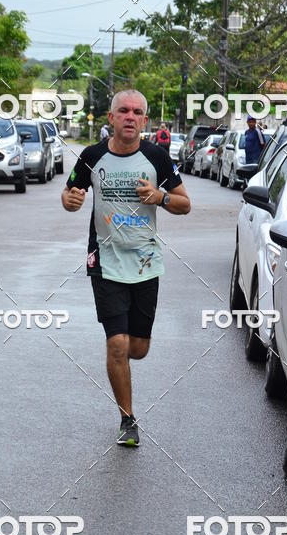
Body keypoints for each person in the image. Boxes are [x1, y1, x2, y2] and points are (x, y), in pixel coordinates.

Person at [61, 90, 191, 446]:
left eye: (137, 112)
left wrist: (161, 197)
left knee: (137, 349)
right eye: (123, 111)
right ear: (111, 117)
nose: (130, 117)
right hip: (104, 261)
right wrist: (70, 200)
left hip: (146, 264)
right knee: (117, 344)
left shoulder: (157, 158)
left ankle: (128, 373)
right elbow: (70, 195)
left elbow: (184, 204)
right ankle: (127, 419)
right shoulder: (91, 156)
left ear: (145, 121)